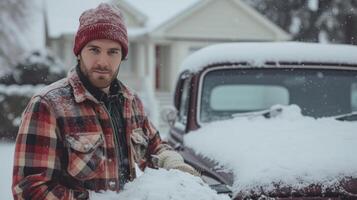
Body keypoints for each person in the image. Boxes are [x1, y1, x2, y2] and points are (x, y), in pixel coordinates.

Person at [12, 3, 199, 200]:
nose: (103, 61)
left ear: (122, 56)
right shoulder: (48, 105)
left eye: (112, 52)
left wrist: (171, 161)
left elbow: (154, 147)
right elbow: (28, 190)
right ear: (79, 52)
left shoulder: (131, 101)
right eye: (94, 50)